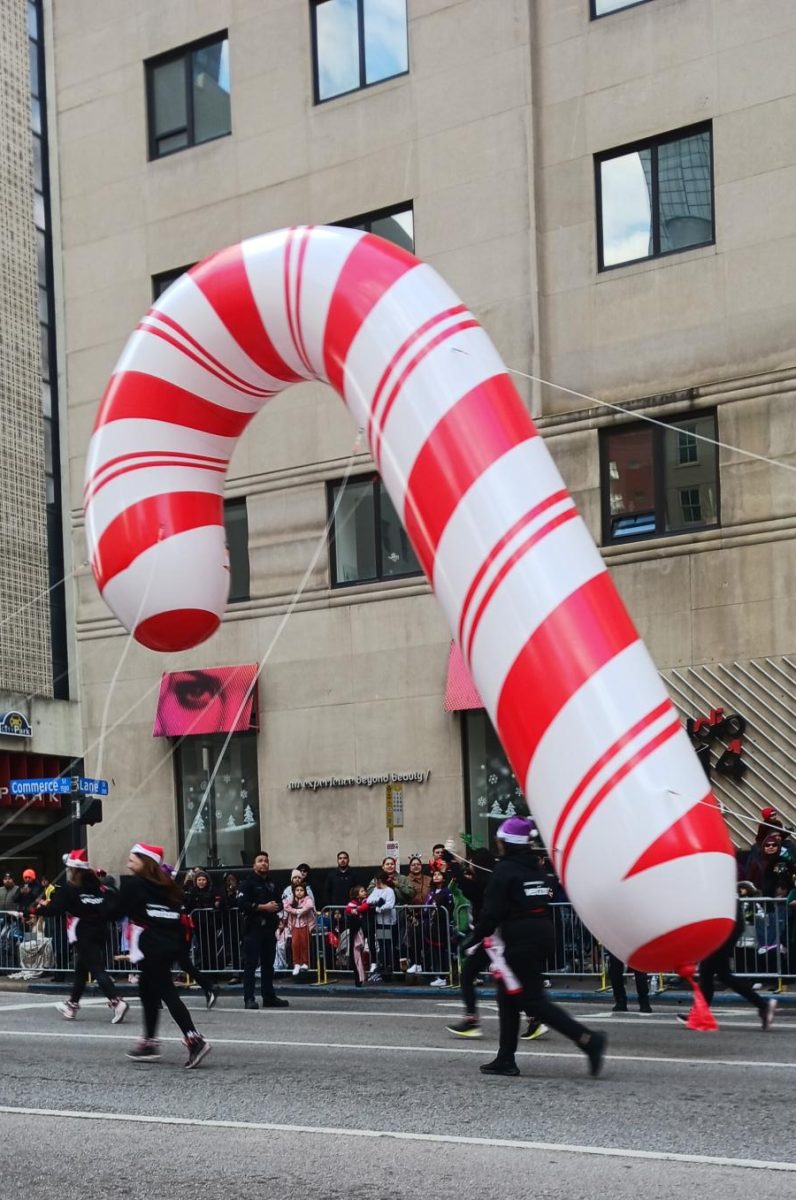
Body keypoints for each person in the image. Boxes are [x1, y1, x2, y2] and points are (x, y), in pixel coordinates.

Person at [468, 816, 606, 1078]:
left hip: (521, 939)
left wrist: (470, 940)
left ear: (507, 843)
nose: (497, 843)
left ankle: (588, 1040)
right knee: (508, 998)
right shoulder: (535, 867)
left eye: (500, 839)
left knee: (533, 1000)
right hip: (541, 933)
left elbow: (492, 913)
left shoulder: (505, 869)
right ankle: (505, 1058)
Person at [115, 843, 211, 1066]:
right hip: (169, 945)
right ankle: (149, 1042)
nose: (128, 861)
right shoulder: (167, 886)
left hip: (151, 946)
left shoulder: (135, 885)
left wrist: (99, 908)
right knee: (147, 990)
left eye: (133, 858)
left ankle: (193, 1039)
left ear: (144, 861)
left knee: (166, 991)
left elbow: (117, 911)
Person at [445, 847, 547, 1042]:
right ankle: (533, 1018)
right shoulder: (496, 880)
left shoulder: (486, 885)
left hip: (495, 938)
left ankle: (473, 1021)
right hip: (497, 936)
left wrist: (453, 863)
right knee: (508, 980)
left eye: (472, 863)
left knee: (482, 977)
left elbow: (466, 886)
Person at [37, 849, 129, 1024]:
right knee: (81, 970)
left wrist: (35, 910)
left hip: (82, 932)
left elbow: (55, 909)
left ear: (73, 869)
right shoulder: (98, 886)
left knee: (96, 969)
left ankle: (116, 1001)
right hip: (100, 931)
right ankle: (72, 1005)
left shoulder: (70, 888)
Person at [678, 898, 777, 1031]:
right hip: (726, 925)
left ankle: (763, 1006)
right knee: (713, 973)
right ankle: (762, 1006)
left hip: (725, 927)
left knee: (713, 972)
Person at [237, 850, 288, 1010]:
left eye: (266, 860)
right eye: (260, 861)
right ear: (254, 865)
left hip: (269, 928)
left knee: (268, 964)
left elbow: (279, 902)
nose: (264, 863)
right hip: (253, 928)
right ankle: (249, 998)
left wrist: (276, 907)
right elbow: (242, 904)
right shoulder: (247, 883)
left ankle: (269, 996)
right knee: (251, 964)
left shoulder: (271, 883)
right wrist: (263, 907)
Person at [424, 868, 454, 986]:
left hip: (441, 925)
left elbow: (449, 908)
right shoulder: (431, 891)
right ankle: (438, 974)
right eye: (434, 874)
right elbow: (426, 906)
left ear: (444, 877)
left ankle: (443, 976)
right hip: (431, 925)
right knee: (434, 951)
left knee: (442, 951)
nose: (436, 876)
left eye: (439, 874)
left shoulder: (447, 891)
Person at [366, 868, 397, 981]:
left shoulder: (389, 891)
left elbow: (390, 904)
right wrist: (376, 902)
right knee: (382, 944)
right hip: (380, 922)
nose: (377, 883)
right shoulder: (376, 890)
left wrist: (378, 909)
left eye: (378, 881)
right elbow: (369, 900)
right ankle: (382, 966)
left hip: (388, 922)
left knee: (388, 945)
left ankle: (389, 967)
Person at [284, 882, 316, 975]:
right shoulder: (292, 899)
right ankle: (296, 963)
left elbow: (310, 906)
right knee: (295, 944)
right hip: (294, 926)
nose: (299, 892)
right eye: (297, 890)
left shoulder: (307, 899)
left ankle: (305, 963)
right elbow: (285, 905)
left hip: (305, 925)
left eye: (301, 890)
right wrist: (295, 911)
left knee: (304, 944)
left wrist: (301, 911)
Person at [345, 885, 370, 986]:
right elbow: (348, 909)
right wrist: (354, 910)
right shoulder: (353, 903)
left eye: (364, 891)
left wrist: (357, 910)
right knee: (356, 955)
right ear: (356, 894)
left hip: (362, 930)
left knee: (362, 954)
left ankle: (362, 977)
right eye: (362, 891)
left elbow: (366, 906)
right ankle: (359, 978)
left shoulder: (364, 902)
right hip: (356, 931)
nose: (364, 892)